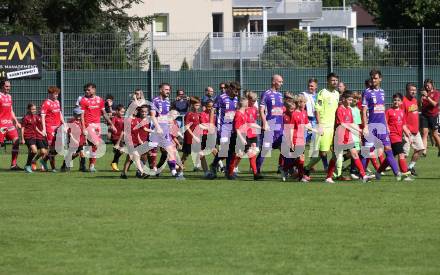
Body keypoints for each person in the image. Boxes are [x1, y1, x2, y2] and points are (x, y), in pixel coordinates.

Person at [362, 69, 410, 181]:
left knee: (388, 149)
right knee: (367, 152)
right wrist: (365, 126)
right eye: (372, 78)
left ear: (380, 79)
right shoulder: (367, 92)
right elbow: (364, 111)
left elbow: (382, 110)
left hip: (382, 127)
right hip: (372, 127)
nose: (373, 80)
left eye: (376, 78)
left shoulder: (382, 92)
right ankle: (361, 173)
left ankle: (397, 174)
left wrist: (386, 126)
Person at [304, 73, 340, 183]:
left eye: (336, 80)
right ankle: (306, 169)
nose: (334, 82)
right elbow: (317, 110)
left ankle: (329, 177)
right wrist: (319, 125)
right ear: (328, 81)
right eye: (332, 80)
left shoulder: (337, 94)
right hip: (324, 127)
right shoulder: (322, 93)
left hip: (334, 127)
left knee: (336, 153)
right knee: (323, 153)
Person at [332, 91, 371, 183]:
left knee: (354, 154)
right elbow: (342, 124)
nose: (350, 101)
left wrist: (359, 130)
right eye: (349, 100)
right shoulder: (339, 110)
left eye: (351, 100)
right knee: (335, 158)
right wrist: (354, 129)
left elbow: (352, 123)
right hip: (339, 136)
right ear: (343, 99)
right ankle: (329, 176)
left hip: (348, 136)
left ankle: (363, 175)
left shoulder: (349, 110)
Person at [79, 82, 116, 172]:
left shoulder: (100, 100)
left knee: (94, 146)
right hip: (88, 125)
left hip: (97, 126)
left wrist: (111, 123)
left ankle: (90, 164)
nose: (86, 91)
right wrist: (83, 128)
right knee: (96, 143)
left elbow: (104, 114)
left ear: (94, 90)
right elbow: (82, 116)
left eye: (89, 89)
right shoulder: (83, 100)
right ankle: (87, 160)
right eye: (86, 90)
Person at [149, 83, 180, 178]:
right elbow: (152, 115)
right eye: (166, 89)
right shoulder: (155, 100)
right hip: (156, 129)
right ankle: (148, 169)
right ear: (160, 90)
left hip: (165, 129)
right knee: (152, 151)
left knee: (170, 150)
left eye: (169, 90)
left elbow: (166, 116)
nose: (168, 91)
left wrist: (169, 124)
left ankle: (174, 172)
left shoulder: (167, 101)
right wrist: (157, 127)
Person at [210, 81, 240, 178]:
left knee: (231, 150)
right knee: (225, 149)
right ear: (230, 89)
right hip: (222, 127)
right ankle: (215, 166)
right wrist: (211, 125)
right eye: (236, 91)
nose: (237, 93)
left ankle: (228, 171)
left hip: (232, 128)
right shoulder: (221, 98)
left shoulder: (235, 99)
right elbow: (213, 110)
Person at [256, 74, 284, 175]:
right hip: (270, 127)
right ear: (274, 82)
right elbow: (261, 110)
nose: (281, 83)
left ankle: (282, 168)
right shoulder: (266, 94)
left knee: (284, 148)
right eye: (280, 81)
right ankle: (257, 171)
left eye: (281, 82)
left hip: (280, 127)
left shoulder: (280, 95)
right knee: (265, 150)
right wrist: (265, 123)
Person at [385, 93, 414, 181]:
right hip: (392, 136)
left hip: (399, 136)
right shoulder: (389, 111)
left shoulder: (402, 112)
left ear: (401, 102)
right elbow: (385, 122)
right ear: (392, 101)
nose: (396, 102)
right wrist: (387, 130)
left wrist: (409, 135)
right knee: (401, 154)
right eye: (394, 100)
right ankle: (405, 175)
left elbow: (404, 125)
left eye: (398, 100)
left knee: (390, 157)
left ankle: (378, 172)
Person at [401, 83, 425, 176]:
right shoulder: (403, 101)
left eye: (415, 90)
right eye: (411, 90)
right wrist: (405, 131)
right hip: (407, 132)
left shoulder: (415, 100)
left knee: (420, 149)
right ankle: (396, 168)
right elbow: (402, 117)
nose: (414, 91)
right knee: (404, 154)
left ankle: (410, 167)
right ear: (407, 90)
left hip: (416, 131)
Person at [40, 86, 65, 172]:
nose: (57, 95)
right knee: (52, 148)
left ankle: (44, 160)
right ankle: (53, 168)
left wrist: (64, 123)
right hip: (49, 128)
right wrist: (43, 129)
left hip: (58, 127)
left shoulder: (57, 102)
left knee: (59, 148)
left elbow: (59, 113)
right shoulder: (46, 103)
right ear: (50, 94)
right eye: (55, 94)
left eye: (57, 94)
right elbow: (42, 116)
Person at [0, 80, 22, 170]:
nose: (9, 88)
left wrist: (16, 121)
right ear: (2, 86)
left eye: (9, 86)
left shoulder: (9, 97)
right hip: (1, 124)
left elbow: (11, 110)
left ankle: (13, 165)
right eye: (6, 86)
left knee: (16, 141)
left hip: (9, 124)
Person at [21, 103, 47, 173]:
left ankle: (28, 165)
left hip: (34, 136)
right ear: (28, 109)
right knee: (34, 151)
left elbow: (35, 127)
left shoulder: (34, 117)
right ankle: (28, 165)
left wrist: (41, 132)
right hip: (28, 136)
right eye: (32, 109)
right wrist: (22, 138)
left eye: (35, 109)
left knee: (35, 151)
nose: (34, 110)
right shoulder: (25, 118)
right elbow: (22, 128)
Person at [60, 107, 86, 172]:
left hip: (80, 141)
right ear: (74, 114)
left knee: (82, 153)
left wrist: (85, 139)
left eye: (80, 114)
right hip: (73, 141)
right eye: (77, 114)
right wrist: (74, 140)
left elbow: (84, 131)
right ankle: (65, 166)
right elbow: (69, 133)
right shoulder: (71, 121)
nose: (79, 116)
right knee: (71, 154)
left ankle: (83, 167)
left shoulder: (82, 121)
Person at [420, 79, 440, 157]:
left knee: (434, 134)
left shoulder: (436, 93)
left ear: (432, 84)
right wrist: (420, 101)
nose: (427, 86)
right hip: (424, 115)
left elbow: (435, 104)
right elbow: (420, 106)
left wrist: (427, 97)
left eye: (428, 85)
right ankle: (424, 151)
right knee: (424, 133)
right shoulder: (424, 94)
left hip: (433, 116)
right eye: (426, 85)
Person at [110, 104, 125, 171]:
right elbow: (111, 125)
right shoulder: (114, 118)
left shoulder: (123, 119)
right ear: (117, 111)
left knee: (119, 151)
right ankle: (113, 163)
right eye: (121, 112)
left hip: (120, 137)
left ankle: (114, 165)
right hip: (115, 137)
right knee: (121, 151)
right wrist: (112, 128)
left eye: (123, 112)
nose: (122, 113)